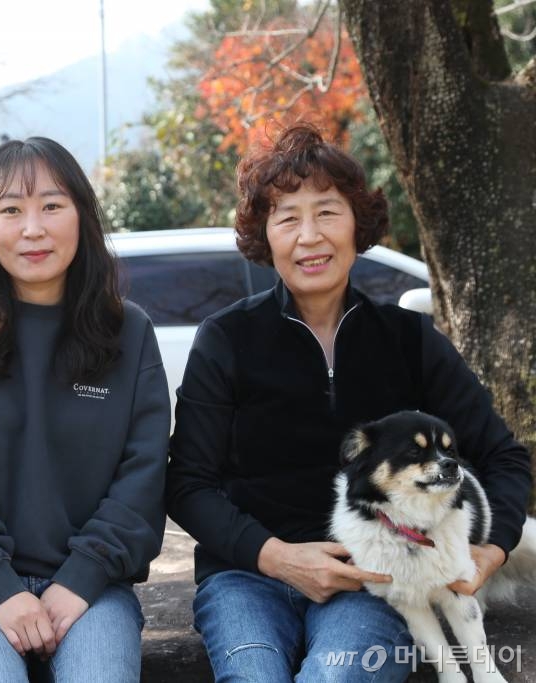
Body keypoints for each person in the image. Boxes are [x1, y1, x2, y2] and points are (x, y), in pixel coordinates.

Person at [165, 123, 532, 682]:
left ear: (357, 223)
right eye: (287, 217)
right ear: (266, 236)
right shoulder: (226, 338)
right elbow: (188, 482)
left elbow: (505, 458)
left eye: (328, 212)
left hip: (376, 583)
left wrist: (494, 548)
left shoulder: (410, 340)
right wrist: (276, 557)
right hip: (247, 576)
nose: (309, 236)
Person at [0, 137, 171, 682]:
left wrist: (81, 579)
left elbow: (143, 475)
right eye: (10, 209)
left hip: (90, 589)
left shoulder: (130, 332)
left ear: (82, 216)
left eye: (52, 205)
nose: (33, 228)